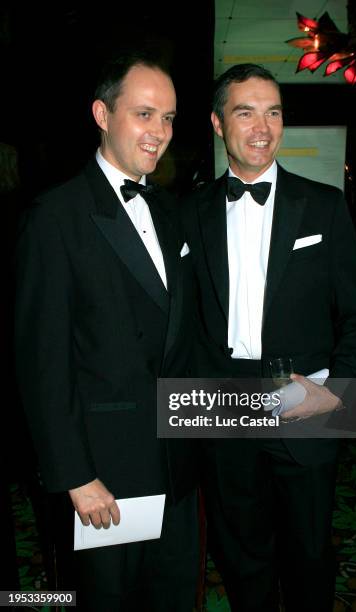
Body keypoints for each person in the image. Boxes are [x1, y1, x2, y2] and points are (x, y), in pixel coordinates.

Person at [182, 63, 356, 611]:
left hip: (304, 397)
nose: (262, 127)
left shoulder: (324, 205)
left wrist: (335, 391)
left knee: (309, 556)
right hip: (225, 405)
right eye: (245, 112)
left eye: (273, 112)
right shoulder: (188, 213)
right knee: (241, 556)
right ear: (219, 124)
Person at [15, 51, 198, 612]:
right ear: (102, 113)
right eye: (144, 114)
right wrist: (75, 476)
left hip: (177, 465)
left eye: (167, 118)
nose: (159, 132)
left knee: (171, 597)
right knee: (106, 600)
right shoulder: (56, 216)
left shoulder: (171, 212)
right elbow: (41, 359)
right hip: (106, 476)